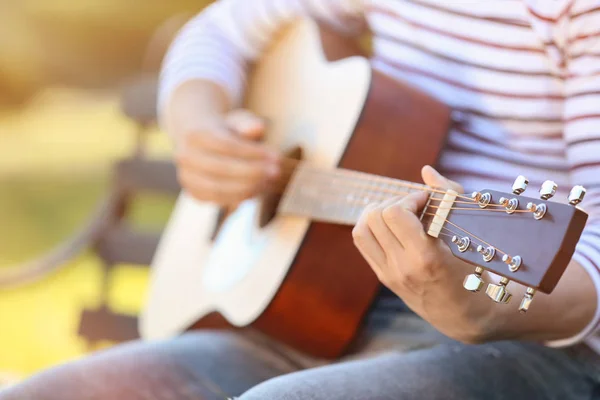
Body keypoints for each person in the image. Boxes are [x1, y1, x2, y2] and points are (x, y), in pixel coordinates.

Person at [3, 0, 600, 399]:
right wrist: (199, 128)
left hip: (526, 342)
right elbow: (216, 33)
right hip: (317, 313)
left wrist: (490, 313)